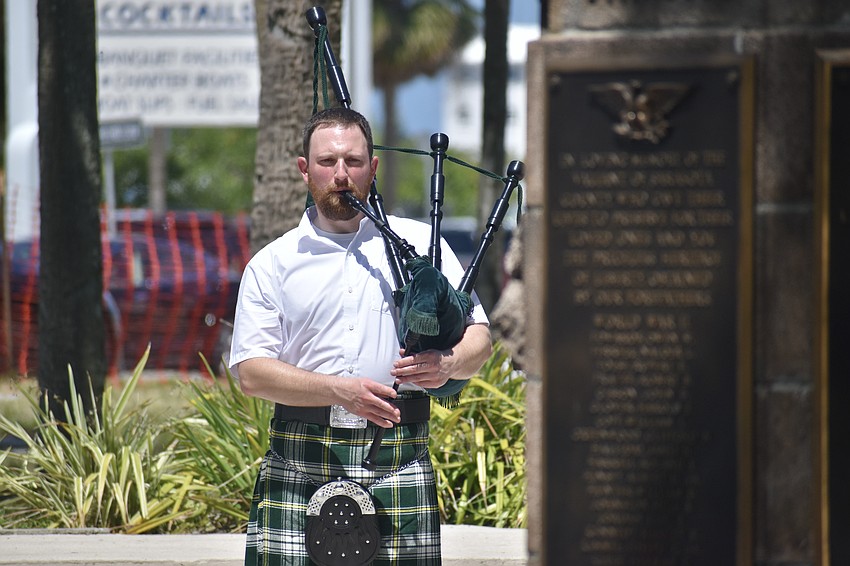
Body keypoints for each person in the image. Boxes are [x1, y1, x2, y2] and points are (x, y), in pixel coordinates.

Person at [228, 106, 492, 565]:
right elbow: (251, 373)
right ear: (304, 170)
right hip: (300, 455)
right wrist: (338, 390)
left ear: (372, 168)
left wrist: (447, 363)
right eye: (328, 162)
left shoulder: (420, 247)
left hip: (399, 456)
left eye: (352, 161)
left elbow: (480, 341)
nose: (340, 174)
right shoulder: (273, 263)